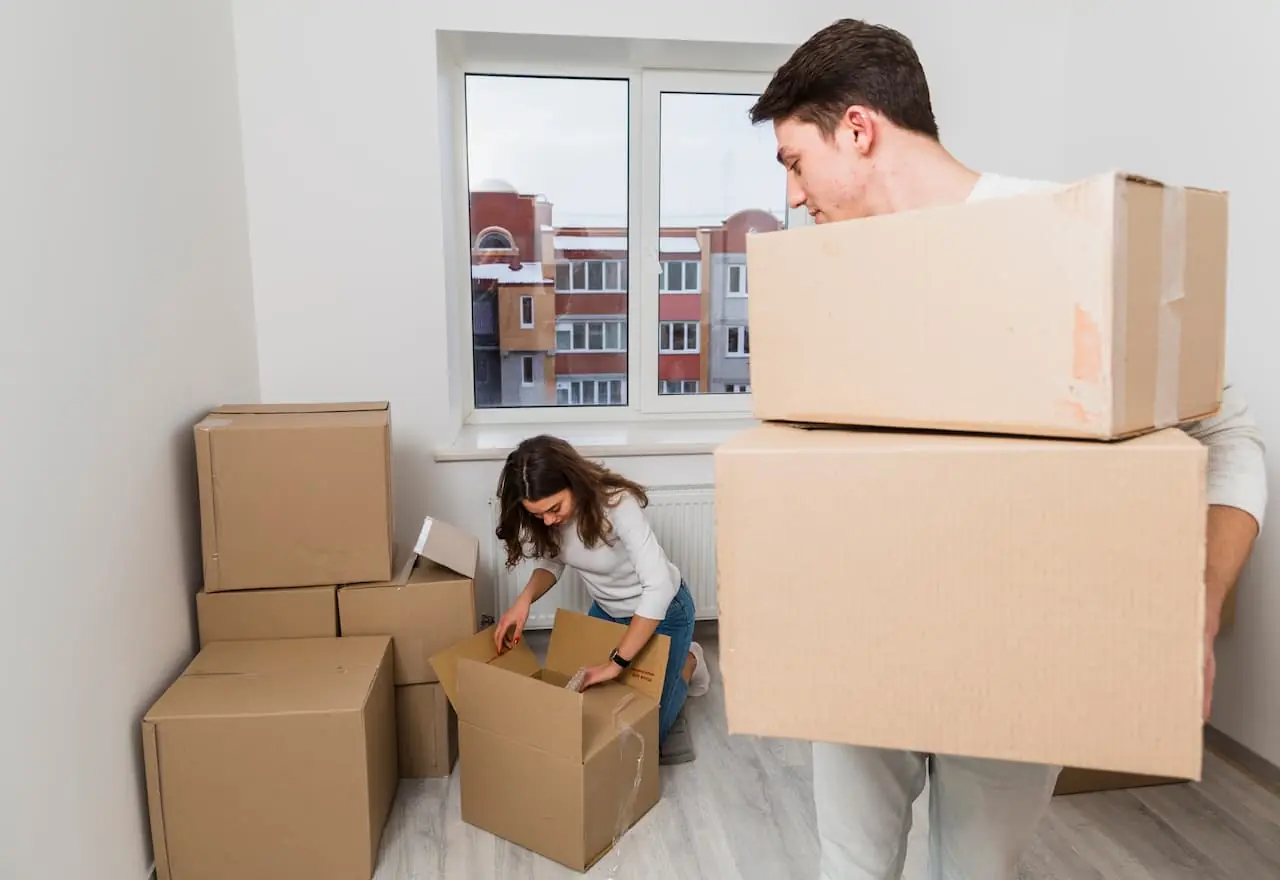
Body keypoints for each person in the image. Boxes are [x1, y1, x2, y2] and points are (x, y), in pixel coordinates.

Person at [749, 19, 1269, 880]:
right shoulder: (830, 281)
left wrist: (1199, 613)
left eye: (794, 162)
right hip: (865, 633)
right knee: (850, 865)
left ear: (858, 130)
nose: (795, 196)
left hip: (1020, 647)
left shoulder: (1068, 235)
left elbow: (1230, 432)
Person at [492, 434, 712, 765]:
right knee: (588, 712)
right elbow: (553, 560)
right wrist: (523, 601)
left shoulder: (618, 505)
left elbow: (658, 588)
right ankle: (652, 661)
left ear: (574, 483)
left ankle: (689, 661)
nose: (549, 520)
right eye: (538, 516)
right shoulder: (550, 519)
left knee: (644, 736)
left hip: (663, 612)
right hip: (609, 612)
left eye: (554, 509)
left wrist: (616, 664)